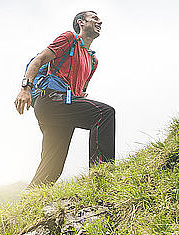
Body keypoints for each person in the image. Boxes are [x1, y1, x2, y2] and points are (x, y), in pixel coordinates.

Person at [14, 11, 115, 187]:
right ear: (81, 23)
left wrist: (80, 97)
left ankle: (27, 206)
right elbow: (38, 60)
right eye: (95, 18)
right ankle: (102, 178)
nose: (100, 21)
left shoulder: (93, 61)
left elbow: (80, 92)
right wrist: (25, 90)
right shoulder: (69, 38)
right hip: (51, 99)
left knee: (52, 166)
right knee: (104, 113)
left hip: (63, 109)